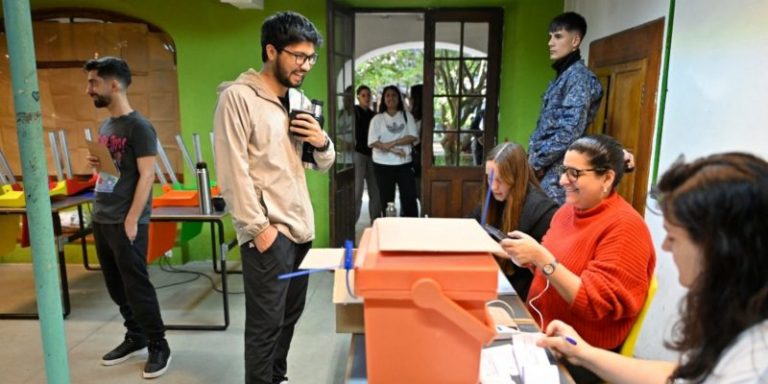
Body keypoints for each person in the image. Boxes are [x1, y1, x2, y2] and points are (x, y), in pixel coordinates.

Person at [537, 152, 768, 383]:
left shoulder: (751, 367)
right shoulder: (737, 317)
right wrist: (582, 353)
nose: (666, 247)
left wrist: (544, 261)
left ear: (718, 248)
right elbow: (684, 375)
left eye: (674, 237)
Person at [212, 12, 334, 384]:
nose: (306, 65)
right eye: (298, 56)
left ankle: (276, 377)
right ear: (271, 50)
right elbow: (232, 172)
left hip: (300, 230)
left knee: (289, 317)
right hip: (269, 234)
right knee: (265, 326)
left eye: (310, 57)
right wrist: (259, 229)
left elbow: (321, 164)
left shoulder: (297, 100)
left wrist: (320, 140)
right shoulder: (238, 98)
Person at [502, 134, 655, 383]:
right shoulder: (566, 213)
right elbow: (561, 267)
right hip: (542, 332)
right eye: (564, 170)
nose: (562, 180)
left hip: (582, 354)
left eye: (574, 173)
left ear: (607, 178)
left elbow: (595, 303)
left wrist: (543, 259)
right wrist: (528, 258)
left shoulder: (626, 228)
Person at [84, 56, 171, 379]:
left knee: (137, 286)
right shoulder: (106, 126)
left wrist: (133, 219)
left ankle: (158, 344)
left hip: (126, 219)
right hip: (103, 215)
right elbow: (114, 172)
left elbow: (147, 176)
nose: (88, 89)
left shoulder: (140, 127)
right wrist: (99, 164)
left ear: (114, 84)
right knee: (115, 286)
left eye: (94, 82)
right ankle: (135, 336)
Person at [528, 12, 603, 205]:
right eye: (550, 36)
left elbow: (569, 131)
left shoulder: (578, 77)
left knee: (549, 224)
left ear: (575, 40)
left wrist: (536, 163)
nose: (550, 42)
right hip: (546, 170)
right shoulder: (564, 75)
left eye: (558, 36)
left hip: (558, 175)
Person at [470, 143, 558, 300]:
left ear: (516, 178)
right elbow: (470, 228)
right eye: (489, 178)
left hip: (524, 295)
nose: (493, 186)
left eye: (501, 179)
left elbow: (544, 267)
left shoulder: (542, 211)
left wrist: (503, 251)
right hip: (493, 282)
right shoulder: (492, 199)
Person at [368, 85, 419, 217]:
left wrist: (393, 143)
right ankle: (388, 230)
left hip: (404, 164)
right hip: (382, 164)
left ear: (399, 98)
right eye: (388, 95)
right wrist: (396, 150)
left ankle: (410, 228)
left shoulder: (407, 116)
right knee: (386, 200)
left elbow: (413, 136)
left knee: (409, 200)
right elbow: (373, 142)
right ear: (384, 99)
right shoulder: (377, 119)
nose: (391, 98)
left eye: (394, 95)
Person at [353, 85, 381, 223]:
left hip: (373, 155)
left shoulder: (374, 115)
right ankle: (351, 223)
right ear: (358, 97)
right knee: (357, 191)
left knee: (375, 190)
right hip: (358, 154)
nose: (366, 98)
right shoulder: (354, 112)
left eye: (368, 95)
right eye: (363, 95)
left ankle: (375, 221)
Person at [408, 84, 423, 201]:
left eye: (411, 96)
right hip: (419, 157)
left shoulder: (415, 117)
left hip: (416, 158)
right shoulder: (412, 115)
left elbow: (415, 140)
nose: (409, 99)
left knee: (415, 192)